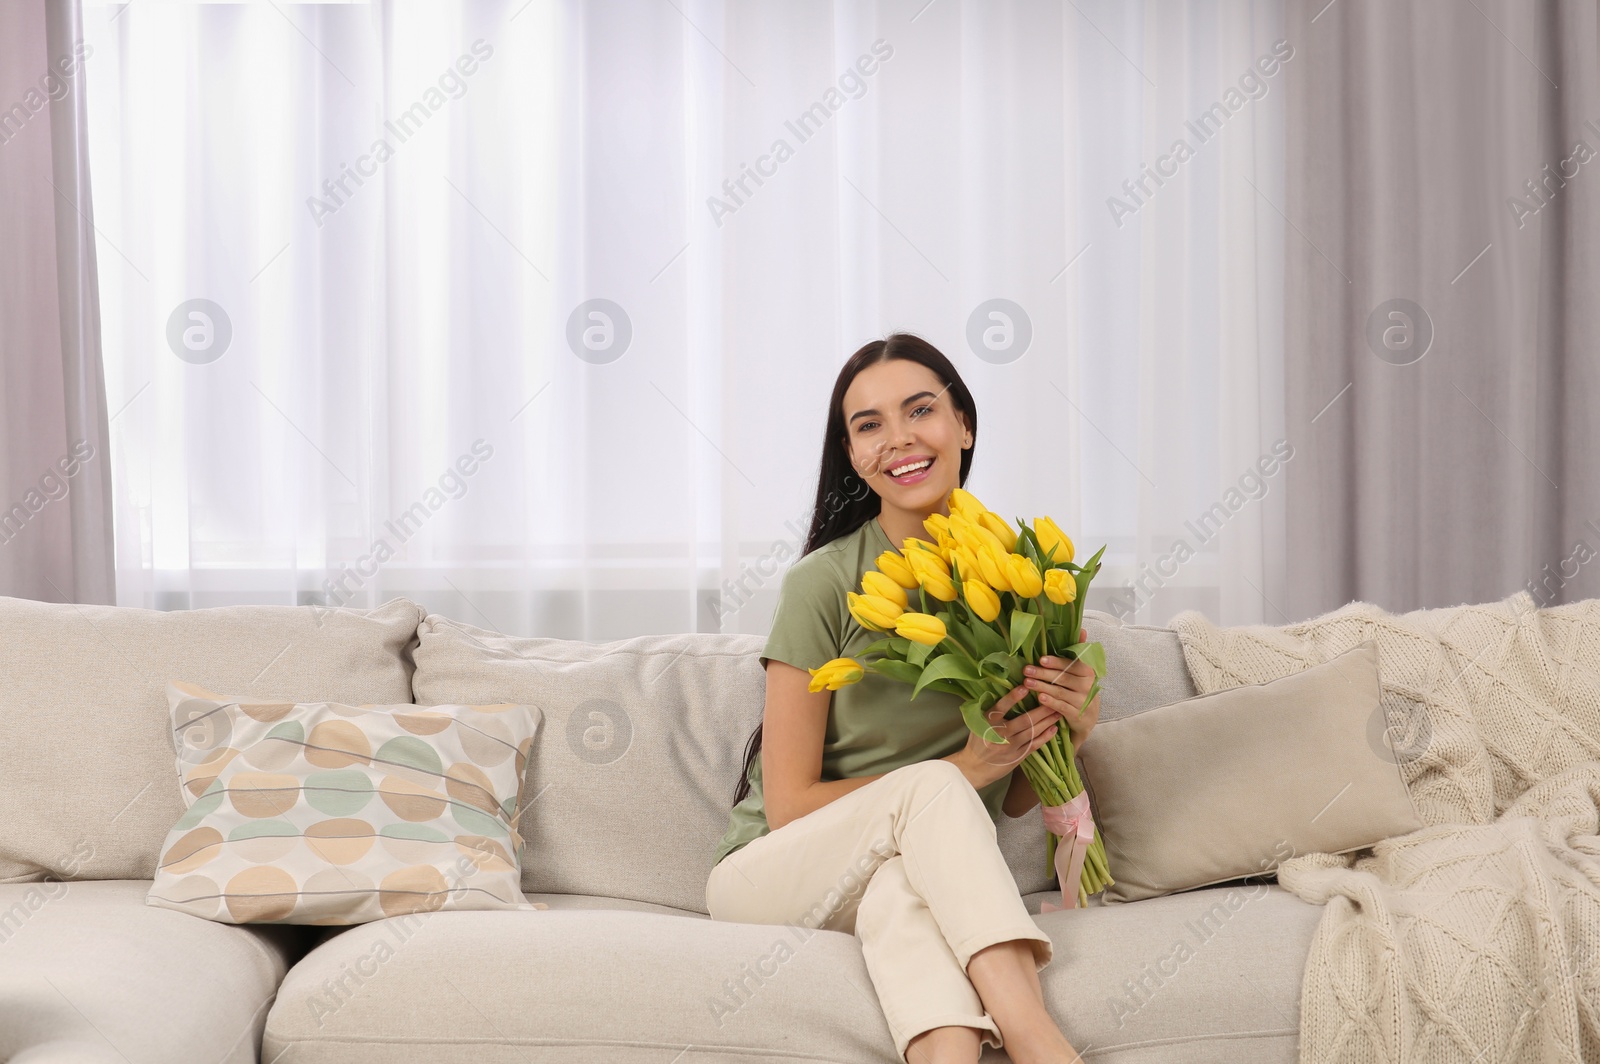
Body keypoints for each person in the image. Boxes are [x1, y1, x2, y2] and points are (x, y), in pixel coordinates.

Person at [705, 333, 1101, 1064]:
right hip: (772, 872)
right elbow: (789, 804)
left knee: (902, 902)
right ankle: (1037, 1038)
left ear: (964, 427)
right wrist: (963, 769)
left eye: (921, 410)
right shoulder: (823, 585)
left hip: (902, 867)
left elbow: (1017, 803)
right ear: (853, 454)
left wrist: (1070, 727)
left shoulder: (1019, 575)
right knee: (926, 791)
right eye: (869, 425)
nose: (899, 439)